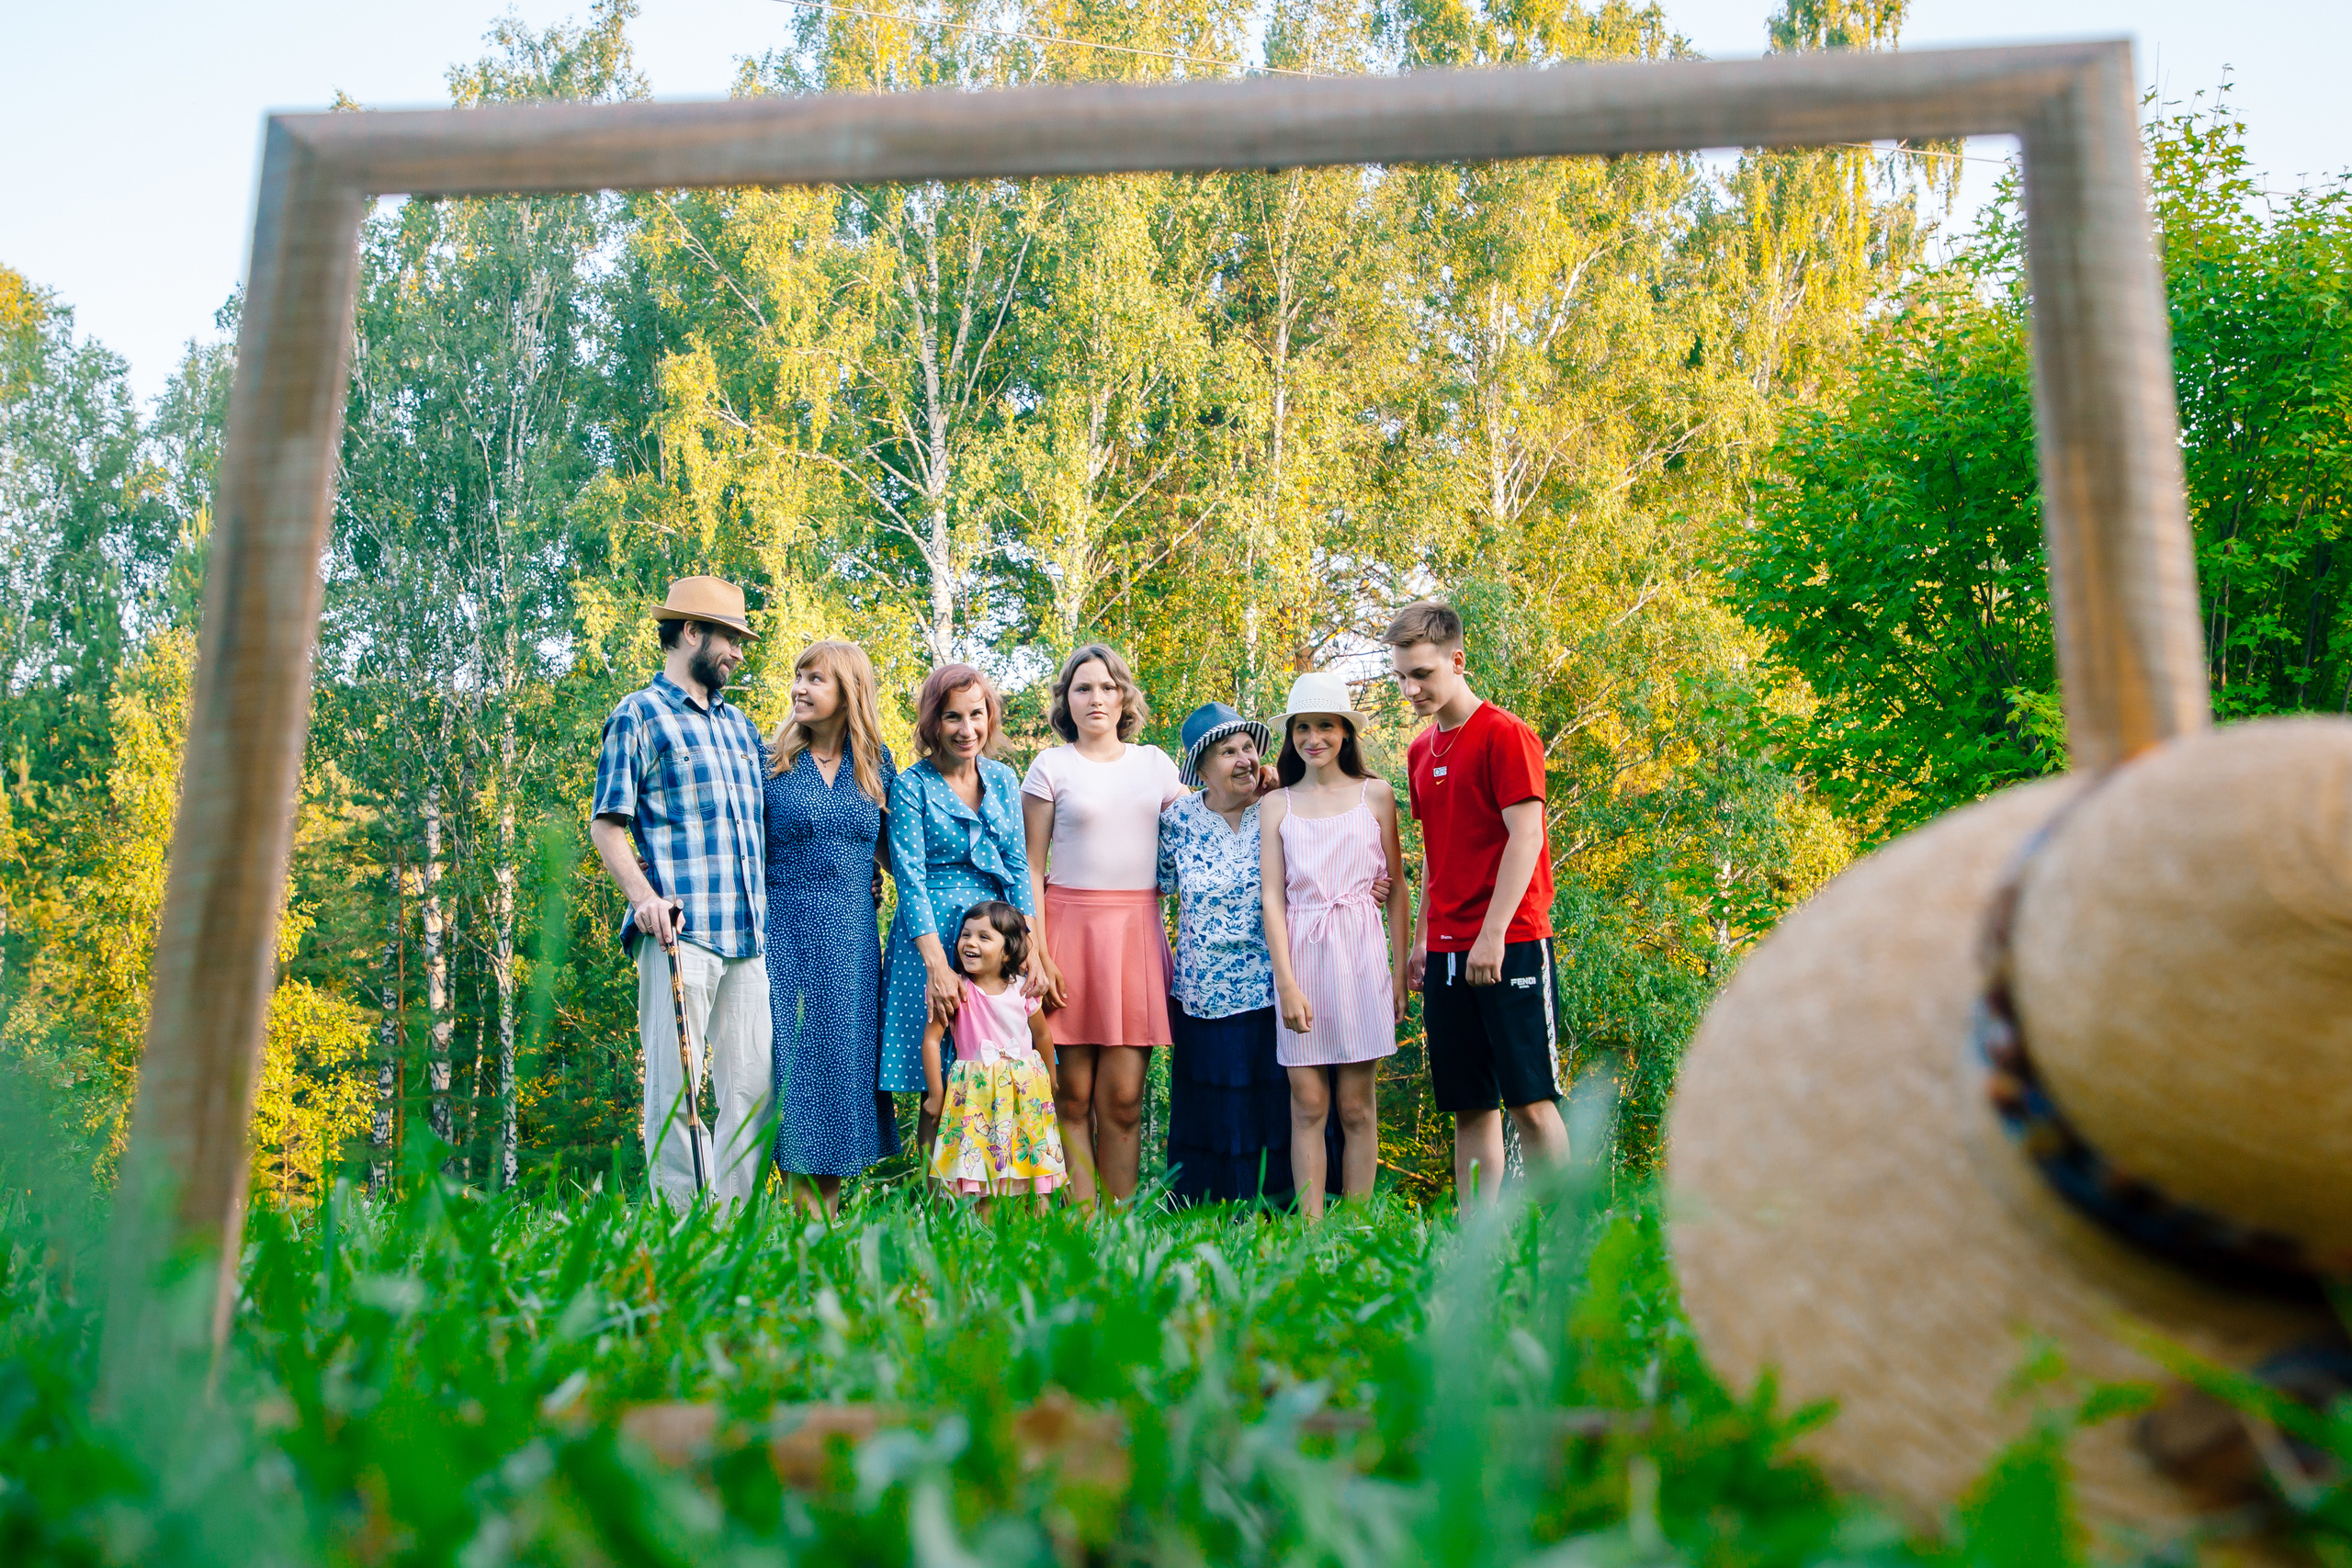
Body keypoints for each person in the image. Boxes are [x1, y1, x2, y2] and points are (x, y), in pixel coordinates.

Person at [588, 575, 774, 1208]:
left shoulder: (742, 728)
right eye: (731, 638)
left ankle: (736, 1228)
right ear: (691, 631)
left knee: (751, 1090)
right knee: (678, 1090)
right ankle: (684, 1228)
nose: (739, 653)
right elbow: (607, 821)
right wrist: (643, 897)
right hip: (681, 931)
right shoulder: (637, 714)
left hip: (751, 935)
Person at [1385, 600, 1569, 1204]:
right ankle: (1477, 1246)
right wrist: (1419, 941)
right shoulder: (1418, 753)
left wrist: (1490, 935)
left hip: (1511, 940)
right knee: (1469, 1105)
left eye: (1423, 674)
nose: (1412, 688)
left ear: (1457, 660)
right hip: (1444, 950)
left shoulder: (1505, 735)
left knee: (1530, 1101)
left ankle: (1564, 1233)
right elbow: (1437, 849)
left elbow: (1527, 835)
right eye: (1402, 677)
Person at [1023, 643, 1188, 1205]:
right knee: (1069, 1095)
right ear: (1067, 700)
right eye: (1084, 688)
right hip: (1067, 933)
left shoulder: (1154, 764)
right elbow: (1031, 867)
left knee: (1122, 1099)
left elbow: (1205, 827)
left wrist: (1260, 785)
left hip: (1135, 933)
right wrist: (1038, 952)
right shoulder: (1051, 765)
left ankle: (1119, 1227)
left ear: (1125, 698)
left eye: (1108, 687)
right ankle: (1081, 1221)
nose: (1097, 698)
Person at [1156, 703, 1325, 1208]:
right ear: (1202, 770)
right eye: (1227, 751)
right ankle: (1206, 1209)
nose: (1243, 759)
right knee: (1211, 1106)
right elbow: (1157, 888)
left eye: (1248, 747)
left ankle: (1282, 1208)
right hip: (1203, 990)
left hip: (1275, 986)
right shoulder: (1177, 821)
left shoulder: (1281, 808)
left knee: (1276, 1103)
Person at [1258, 671, 1408, 1219]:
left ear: (1345, 731)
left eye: (1325, 726)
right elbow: (1272, 898)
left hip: (1362, 951)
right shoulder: (1278, 806)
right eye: (1302, 727)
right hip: (1303, 953)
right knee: (1309, 1103)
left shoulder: (1377, 794)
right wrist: (1287, 982)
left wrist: (1397, 972)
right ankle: (1312, 1231)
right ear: (1291, 735)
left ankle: (1358, 1225)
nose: (1313, 738)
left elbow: (1396, 885)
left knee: (1355, 1105)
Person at [881, 665, 1043, 1143]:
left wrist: (1028, 946)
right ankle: (938, 1209)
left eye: (976, 714)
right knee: (941, 1083)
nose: (967, 729)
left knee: (993, 1070)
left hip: (994, 936)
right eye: (953, 717)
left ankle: (995, 1190)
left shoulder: (1003, 779)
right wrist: (937, 966)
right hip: (930, 938)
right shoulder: (912, 785)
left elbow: (1016, 866)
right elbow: (909, 879)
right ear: (933, 722)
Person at [763, 639, 897, 1217]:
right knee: (794, 1076)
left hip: (852, 945)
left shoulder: (878, 765)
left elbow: (899, 856)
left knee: (843, 1076)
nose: (800, 687)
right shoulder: (767, 762)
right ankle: (798, 1224)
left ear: (849, 691)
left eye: (816, 678)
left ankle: (825, 1227)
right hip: (784, 934)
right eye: (798, 676)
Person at [921, 900, 1067, 1215]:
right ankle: (984, 1235)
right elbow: (932, 1041)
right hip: (976, 1095)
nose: (970, 943)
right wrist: (935, 1095)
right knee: (982, 1168)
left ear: (1008, 952)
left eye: (984, 937)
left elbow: (1041, 1035)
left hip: (1025, 1093)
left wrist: (1051, 1079)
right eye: (966, 935)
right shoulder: (956, 990)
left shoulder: (1022, 991)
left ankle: (1039, 1233)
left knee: (1032, 1162)